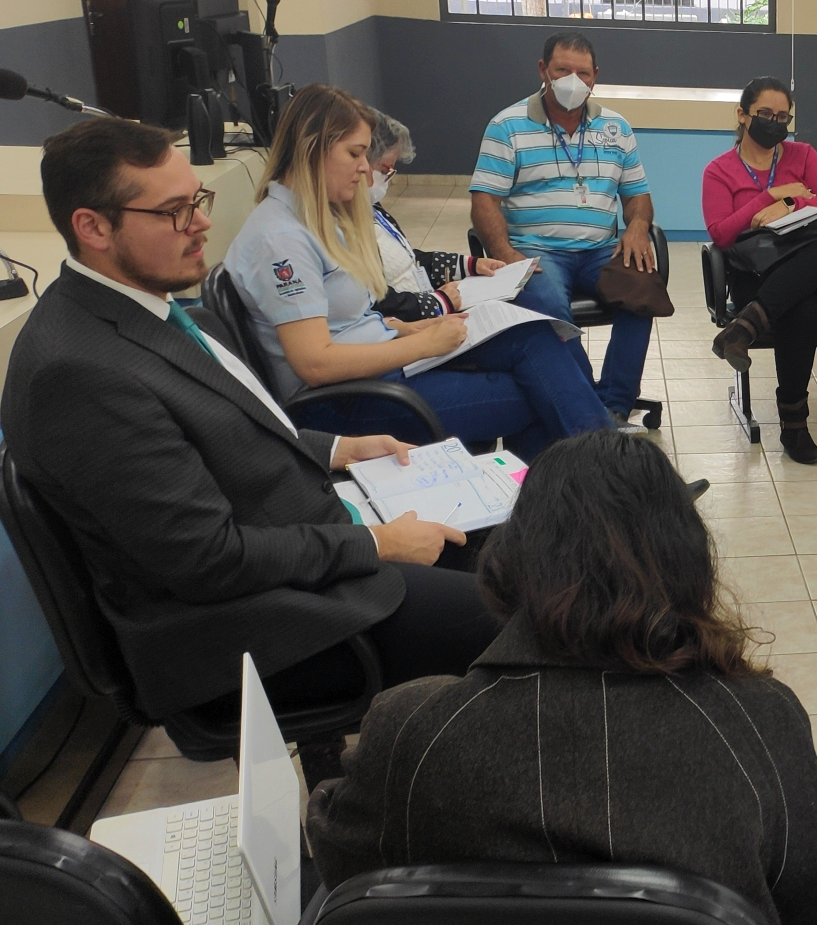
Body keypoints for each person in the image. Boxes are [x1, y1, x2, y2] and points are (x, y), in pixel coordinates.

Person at [8, 117, 496, 780]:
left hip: (298, 543)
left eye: (197, 202)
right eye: (174, 211)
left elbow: (224, 424)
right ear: (94, 227)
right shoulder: (79, 372)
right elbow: (209, 560)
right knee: (519, 626)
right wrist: (377, 545)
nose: (201, 224)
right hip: (256, 628)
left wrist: (335, 448)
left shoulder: (136, 307)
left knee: (504, 545)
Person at [307, 431, 817, 925]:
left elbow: (341, 864)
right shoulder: (759, 719)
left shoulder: (411, 729)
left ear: (511, 561)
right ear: (689, 564)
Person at [226, 84, 624, 462]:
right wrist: (424, 343)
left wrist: (407, 330)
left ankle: (591, 483)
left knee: (534, 336)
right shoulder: (280, 239)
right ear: (312, 149)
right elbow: (315, 364)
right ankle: (604, 485)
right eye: (355, 154)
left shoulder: (317, 218)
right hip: (349, 400)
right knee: (541, 394)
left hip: (383, 362)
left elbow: (345, 322)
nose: (365, 169)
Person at [471, 31, 658, 427]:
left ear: (595, 77)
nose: (573, 80)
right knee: (547, 306)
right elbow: (484, 200)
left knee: (643, 287)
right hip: (536, 252)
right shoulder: (507, 126)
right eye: (562, 70)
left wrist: (638, 226)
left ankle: (614, 405)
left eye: (582, 72)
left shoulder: (616, 128)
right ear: (543, 70)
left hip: (599, 249)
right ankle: (587, 407)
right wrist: (505, 253)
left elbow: (637, 195)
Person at [702, 76, 817, 465]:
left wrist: (789, 207)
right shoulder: (718, 171)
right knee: (800, 310)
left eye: (783, 116)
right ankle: (794, 426)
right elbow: (720, 234)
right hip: (758, 274)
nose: (775, 122)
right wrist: (764, 199)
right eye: (765, 114)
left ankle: (744, 328)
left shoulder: (802, 155)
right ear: (742, 114)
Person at [364, 108, 500, 322]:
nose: (387, 178)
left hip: (426, 314)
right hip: (412, 330)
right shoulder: (339, 228)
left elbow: (407, 260)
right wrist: (440, 302)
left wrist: (469, 265)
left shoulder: (373, 208)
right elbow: (380, 303)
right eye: (385, 170)